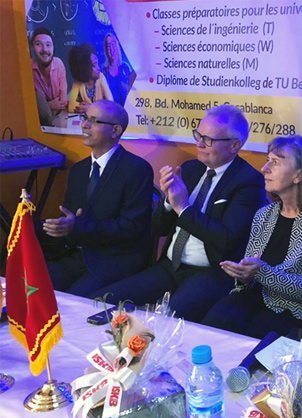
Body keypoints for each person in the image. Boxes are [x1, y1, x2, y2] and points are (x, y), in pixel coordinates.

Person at [91, 104, 267, 323]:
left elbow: (226, 240)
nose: (198, 143)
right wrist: (167, 202)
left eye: (208, 140)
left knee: (165, 323)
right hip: (169, 266)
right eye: (198, 135)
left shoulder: (248, 182)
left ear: (235, 145)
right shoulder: (191, 169)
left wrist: (183, 207)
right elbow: (159, 228)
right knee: (101, 301)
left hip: (209, 273)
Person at [202, 136, 302, 339]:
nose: (264, 168)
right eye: (267, 160)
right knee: (214, 326)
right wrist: (243, 275)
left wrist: (261, 271)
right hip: (255, 297)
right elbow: (249, 278)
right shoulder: (264, 215)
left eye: (275, 162)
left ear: (298, 175)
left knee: (255, 339)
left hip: (296, 310)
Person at [44, 100, 153, 296]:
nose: (84, 125)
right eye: (85, 118)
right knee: (31, 285)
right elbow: (71, 217)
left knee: (73, 302)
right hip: (75, 255)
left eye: (94, 121)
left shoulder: (137, 170)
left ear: (115, 130)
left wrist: (79, 226)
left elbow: (132, 228)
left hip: (113, 260)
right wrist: (60, 227)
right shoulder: (79, 170)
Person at [30, 27, 67, 127]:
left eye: (48, 45)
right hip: (37, 123)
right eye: (38, 44)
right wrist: (49, 105)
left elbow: (62, 102)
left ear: (53, 47)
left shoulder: (59, 64)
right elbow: (29, 106)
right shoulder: (27, 68)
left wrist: (45, 105)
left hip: (59, 118)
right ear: (32, 48)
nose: (45, 49)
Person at [67, 43, 113, 114]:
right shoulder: (78, 81)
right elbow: (71, 107)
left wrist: (91, 107)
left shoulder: (101, 77)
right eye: (94, 65)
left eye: (97, 64)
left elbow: (112, 106)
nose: (98, 68)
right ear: (85, 68)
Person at [102, 33, 136, 107]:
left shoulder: (125, 68)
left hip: (125, 110)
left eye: (113, 44)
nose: (111, 49)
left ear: (117, 46)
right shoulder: (104, 71)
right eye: (108, 46)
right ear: (106, 50)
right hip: (110, 111)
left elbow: (132, 93)